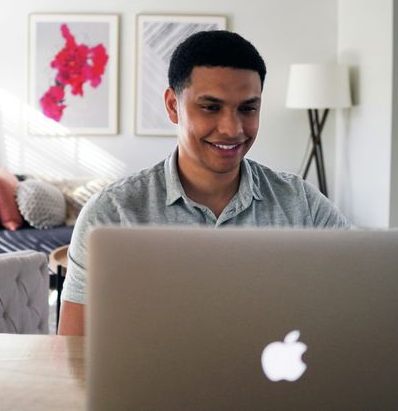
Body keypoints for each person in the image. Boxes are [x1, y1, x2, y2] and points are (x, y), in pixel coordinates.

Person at [58, 30, 351, 335]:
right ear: (173, 106)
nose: (232, 128)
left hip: (275, 379)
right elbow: (71, 352)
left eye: (247, 108)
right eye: (211, 107)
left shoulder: (300, 203)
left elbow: (363, 289)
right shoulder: (111, 213)